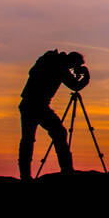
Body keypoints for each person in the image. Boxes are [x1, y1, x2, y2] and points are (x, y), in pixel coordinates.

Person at [18, 50, 90, 180]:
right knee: (59, 133)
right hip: (38, 106)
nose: (72, 69)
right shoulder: (60, 67)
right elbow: (75, 86)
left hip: (27, 104)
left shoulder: (50, 59)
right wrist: (86, 77)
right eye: (73, 66)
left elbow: (32, 73)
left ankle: (25, 175)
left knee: (27, 140)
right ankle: (67, 170)